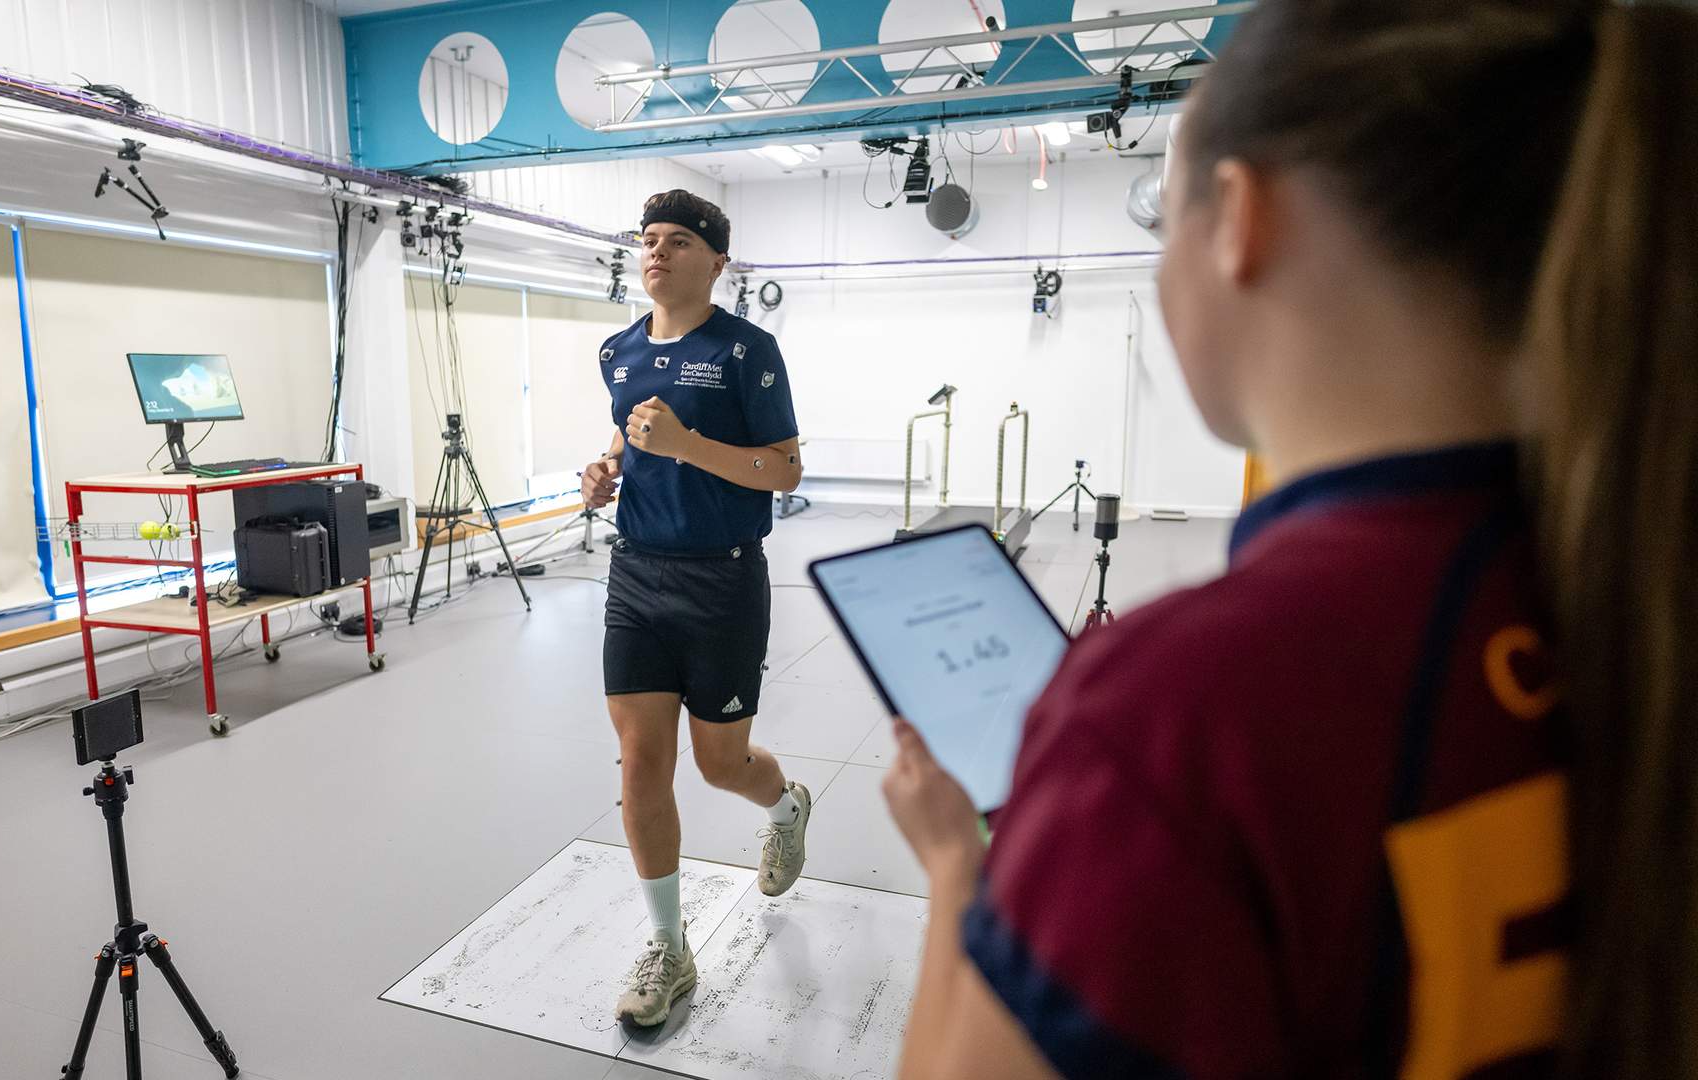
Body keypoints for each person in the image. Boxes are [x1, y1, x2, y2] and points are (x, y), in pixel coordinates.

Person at [880, 2, 1698, 1078]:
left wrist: (954, 864)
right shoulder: (1633, 578)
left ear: (1234, 218)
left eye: (1162, 215)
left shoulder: (1171, 715)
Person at [579, 189, 813, 1028]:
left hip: (722, 582)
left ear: (716, 262)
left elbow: (783, 471)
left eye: (679, 241)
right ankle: (670, 948)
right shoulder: (617, 351)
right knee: (642, 760)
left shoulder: (750, 351)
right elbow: (626, 433)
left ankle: (786, 806)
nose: (658, 253)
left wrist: (688, 447)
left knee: (720, 764)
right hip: (637, 576)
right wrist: (605, 472)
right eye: (647, 240)